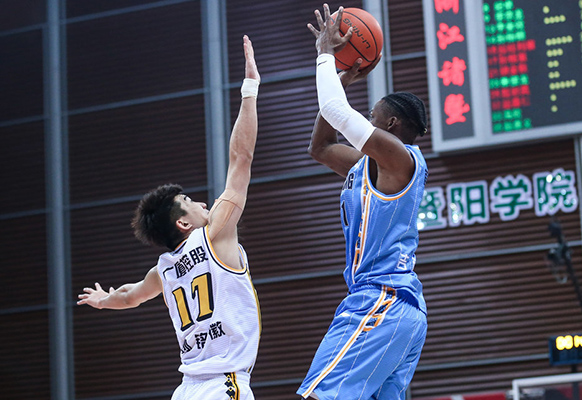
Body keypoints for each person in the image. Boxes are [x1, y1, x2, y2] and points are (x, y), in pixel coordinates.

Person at [77, 35, 261, 400]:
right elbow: (241, 158)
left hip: (186, 390)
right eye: (189, 201)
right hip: (223, 385)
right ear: (183, 223)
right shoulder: (214, 235)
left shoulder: (163, 271)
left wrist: (104, 300)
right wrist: (250, 89)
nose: (202, 202)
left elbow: (128, 297)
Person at [297, 5, 428, 400]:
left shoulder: (400, 160)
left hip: (381, 300)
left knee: (319, 395)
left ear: (390, 125)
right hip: (395, 308)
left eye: (372, 116)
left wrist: (325, 53)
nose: (366, 121)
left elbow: (336, 112)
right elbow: (320, 147)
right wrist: (342, 79)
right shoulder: (369, 165)